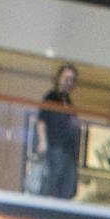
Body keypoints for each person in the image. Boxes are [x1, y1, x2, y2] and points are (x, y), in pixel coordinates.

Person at [25, 63, 80, 200]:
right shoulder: (51, 97)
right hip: (54, 147)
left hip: (66, 151)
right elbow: (42, 120)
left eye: (71, 80)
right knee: (52, 180)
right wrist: (43, 142)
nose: (68, 83)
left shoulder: (68, 101)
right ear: (59, 78)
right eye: (66, 78)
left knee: (64, 182)